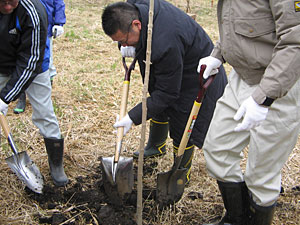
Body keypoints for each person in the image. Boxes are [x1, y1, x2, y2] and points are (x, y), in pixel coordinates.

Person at [101, 0, 228, 183]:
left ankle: (180, 173)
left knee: (182, 122)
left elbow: (167, 94)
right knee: (156, 97)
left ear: (137, 25)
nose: (123, 45)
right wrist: (126, 44)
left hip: (197, 73)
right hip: (175, 59)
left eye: (124, 40)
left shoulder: (165, 42)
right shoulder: (137, 7)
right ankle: (157, 145)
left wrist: (132, 117)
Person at [197, 0, 300, 224]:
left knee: (261, 174)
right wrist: (218, 53)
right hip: (241, 78)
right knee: (217, 148)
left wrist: (265, 97)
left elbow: (295, 42)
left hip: (279, 85)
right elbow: (239, 24)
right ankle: (236, 218)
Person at [0, 0, 68, 187]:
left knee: (45, 113)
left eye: (11, 1)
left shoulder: (34, 11)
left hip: (34, 65)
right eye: (2, 2)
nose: (7, 7)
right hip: (2, 64)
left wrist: (5, 98)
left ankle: (56, 165)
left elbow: (31, 61)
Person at [13, 0, 66, 114]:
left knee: (46, 61)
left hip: (45, 27)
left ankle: (45, 93)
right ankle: (21, 97)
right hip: (22, 27)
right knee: (19, 63)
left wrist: (59, 23)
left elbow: (59, 3)